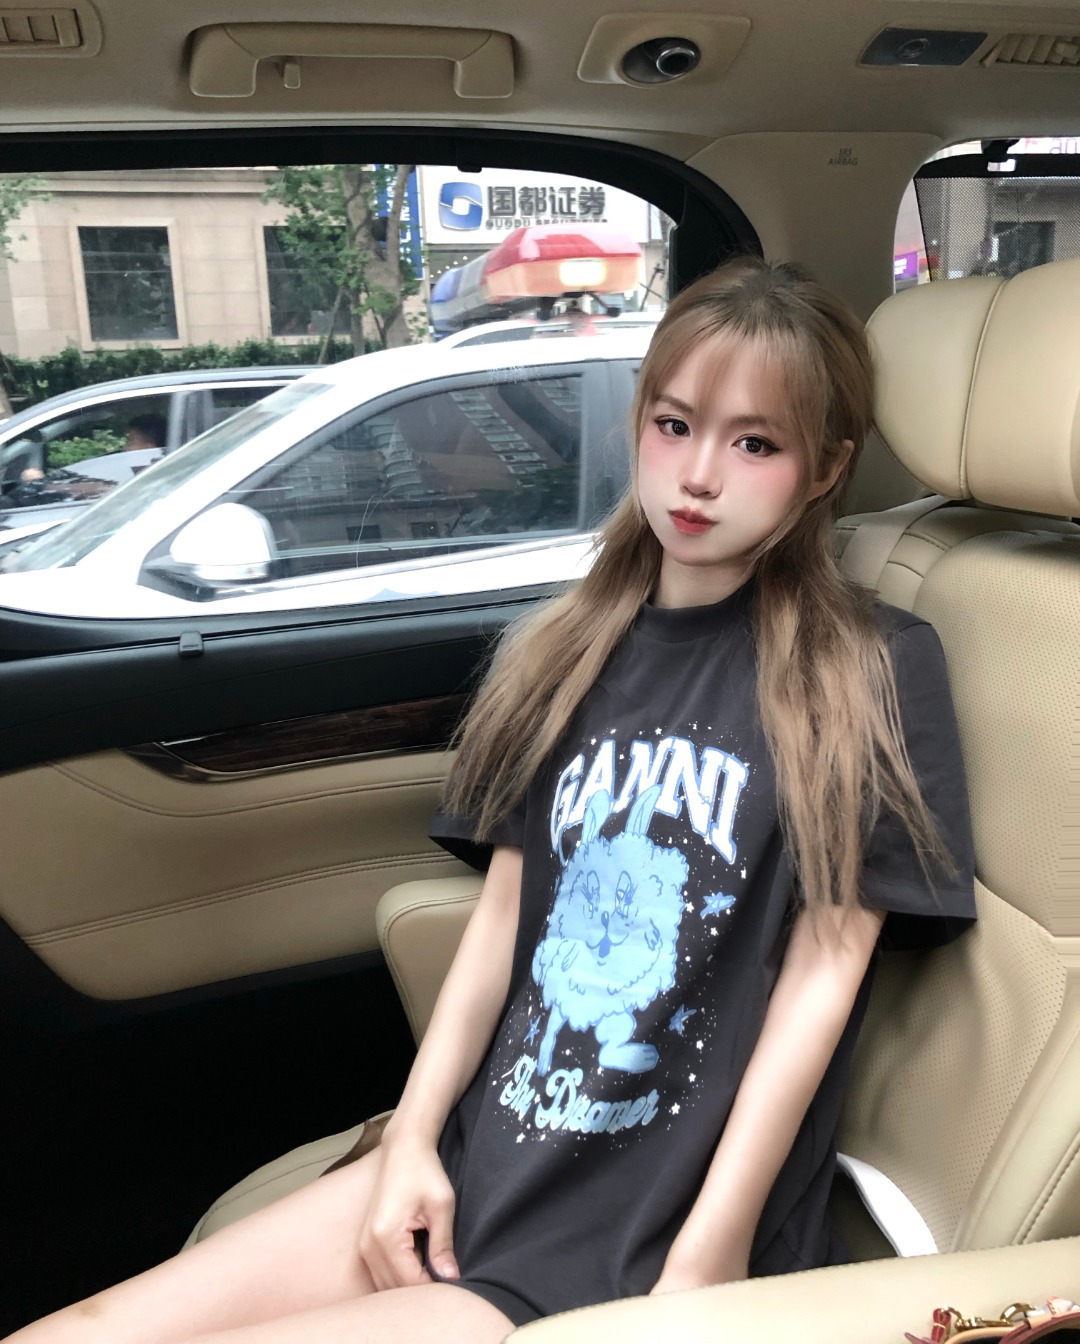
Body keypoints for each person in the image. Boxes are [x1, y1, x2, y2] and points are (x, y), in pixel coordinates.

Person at [8, 258, 976, 1344]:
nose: (699, 475)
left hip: (629, 1234)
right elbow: (507, 919)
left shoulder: (866, 667)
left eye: (756, 444)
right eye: (673, 425)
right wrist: (412, 1141)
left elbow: (825, 972)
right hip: (488, 1156)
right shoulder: (567, 648)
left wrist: (710, 1252)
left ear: (826, 468)